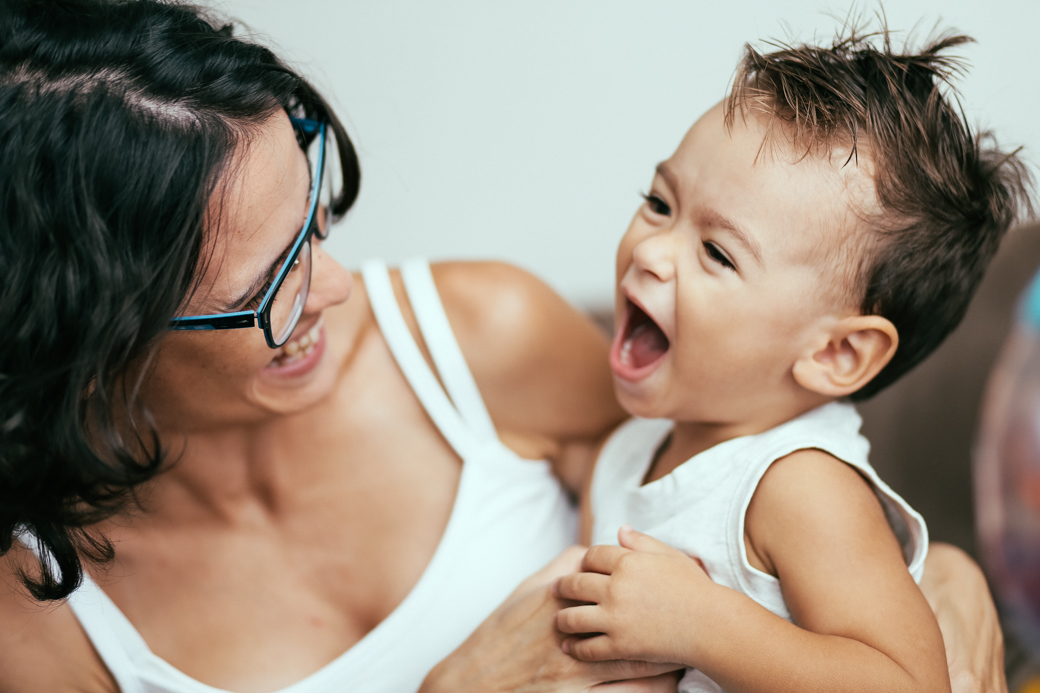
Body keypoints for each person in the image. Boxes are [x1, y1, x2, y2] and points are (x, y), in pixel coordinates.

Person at [0, 2, 1010, 692]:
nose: (339, 288)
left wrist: (950, 579)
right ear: (88, 339)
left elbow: (799, 524)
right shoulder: (36, 623)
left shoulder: (492, 347)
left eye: (313, 221)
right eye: (266, 286)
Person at [552, 29, 1033, 693]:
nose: (650, 251)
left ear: (836, 353)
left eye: (717, 253)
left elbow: (908, 680)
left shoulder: (797, 485)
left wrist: (702, 622)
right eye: (660, 203)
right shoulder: (634, 446)